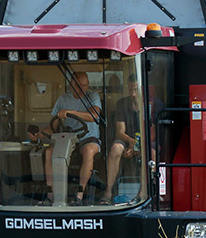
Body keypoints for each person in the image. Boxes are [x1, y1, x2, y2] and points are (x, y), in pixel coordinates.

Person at [43, 71, 101, 204]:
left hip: (88, 137)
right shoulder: (63, 100)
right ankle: (50, 194)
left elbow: (94, 116)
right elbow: (53, 125)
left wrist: (70, 112)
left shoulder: (93, 96)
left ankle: (79, 196)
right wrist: (39, 134)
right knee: (49, 152)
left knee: (89, 151)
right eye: (78, 86)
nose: (82, 89)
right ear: (70, 85)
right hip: (67, 139)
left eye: (85, 85)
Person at [102, 75, 143, 204]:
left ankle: (143, 193)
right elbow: (120, 132)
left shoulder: (150, 103)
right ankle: (108, 191)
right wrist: (131, 143)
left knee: (150, 152)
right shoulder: (121, 103)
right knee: (115, 148)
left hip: (144, 142)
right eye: (131, 90)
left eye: (136, 90)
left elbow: (150, 133)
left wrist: (137, 147)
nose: (133, 94)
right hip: (126, 140)